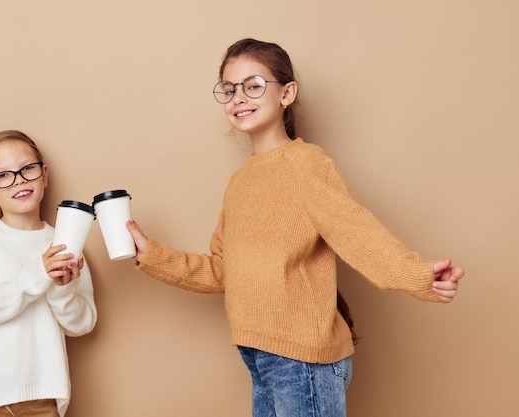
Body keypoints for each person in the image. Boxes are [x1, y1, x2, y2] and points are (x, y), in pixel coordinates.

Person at [126, 38, 464, 417]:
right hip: (260, 357)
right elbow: (224, 270)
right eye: (229, 89)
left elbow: (358, 233)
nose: (239, 98)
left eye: (253, 86)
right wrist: (150, 254)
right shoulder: (240, 183)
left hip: (301, 361)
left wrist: (419, 276)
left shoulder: (305, 164)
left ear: (287, 93)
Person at [0, 130, 97, 417]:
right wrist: (37, 274)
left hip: (41, 398)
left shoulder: (65, 244)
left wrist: (62, 289)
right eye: (3, 175)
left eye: (27, 168)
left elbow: (82, 324)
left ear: (43, 175)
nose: (18, 180)